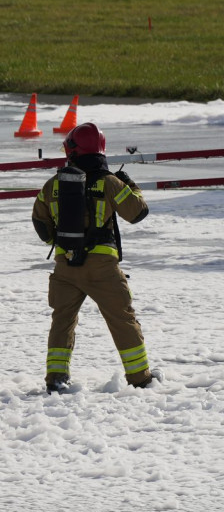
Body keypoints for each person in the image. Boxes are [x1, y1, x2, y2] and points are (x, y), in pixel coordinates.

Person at [32, 122, 161, 393]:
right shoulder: (109, 182)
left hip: (65, 267)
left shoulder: (53, 184)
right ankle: (140, 379)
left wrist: (60, 245)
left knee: (62, 322)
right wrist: (130, 185)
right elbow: (138, 212)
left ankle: (56, 379)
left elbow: (40, 223)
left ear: (71, 151)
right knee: (122, 320)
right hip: (102, 267)